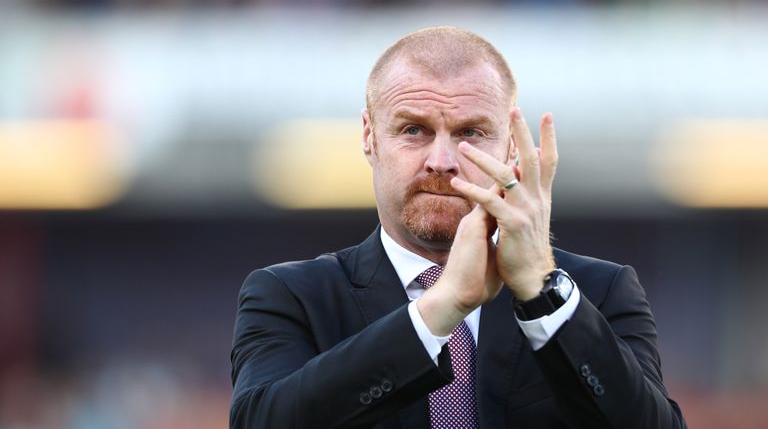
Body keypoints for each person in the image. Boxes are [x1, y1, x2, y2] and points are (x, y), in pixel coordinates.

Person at [230, 26, 686, 429]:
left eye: (470, 133)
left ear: (510, 147)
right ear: (369, 136)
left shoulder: (598, 292)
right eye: (413, 130)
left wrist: (540, 291)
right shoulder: (290, 296)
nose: (442, 161)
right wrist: (443, 306)